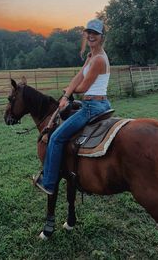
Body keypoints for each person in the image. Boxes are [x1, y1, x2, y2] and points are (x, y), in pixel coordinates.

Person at [35, 18, 111, 195]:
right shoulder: (91, 56)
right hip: (97, 102)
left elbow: (84, 86)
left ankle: (49, 183)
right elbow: (78, 77)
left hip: (93, 106)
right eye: (89, 32)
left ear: (101, 37)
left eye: (95, 34)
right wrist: (66, 95)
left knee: (56, 138)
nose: (91, 36)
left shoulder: (99, 59)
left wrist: (67, 92)